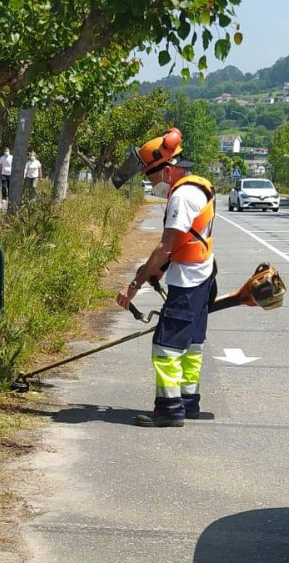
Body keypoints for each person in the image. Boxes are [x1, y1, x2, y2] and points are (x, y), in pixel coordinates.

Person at [113, 128, 217, 428]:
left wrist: (134, 285)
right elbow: (188, 237)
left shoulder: (181, 197)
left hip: (186, 280)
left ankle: (169, 409)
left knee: (166, 348)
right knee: (192, 344)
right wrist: (157, 270)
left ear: (168, 169)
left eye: (151, 176)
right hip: (203, 274)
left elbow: (166, 245)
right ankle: (188, 400)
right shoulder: (201, 185)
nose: (151, 182)